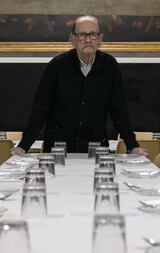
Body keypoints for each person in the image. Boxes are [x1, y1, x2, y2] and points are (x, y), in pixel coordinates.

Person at [11, 15, 147, 156]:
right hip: (58, 151)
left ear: (100, 39)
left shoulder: (110, 66)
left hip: (96, 152)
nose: (88, 40)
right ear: (73, 39)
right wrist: (24, 146)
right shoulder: (57, 66)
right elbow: (40, 110)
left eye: (93, 35)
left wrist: (133, 146)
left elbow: (119, 112)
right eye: (82, 35)